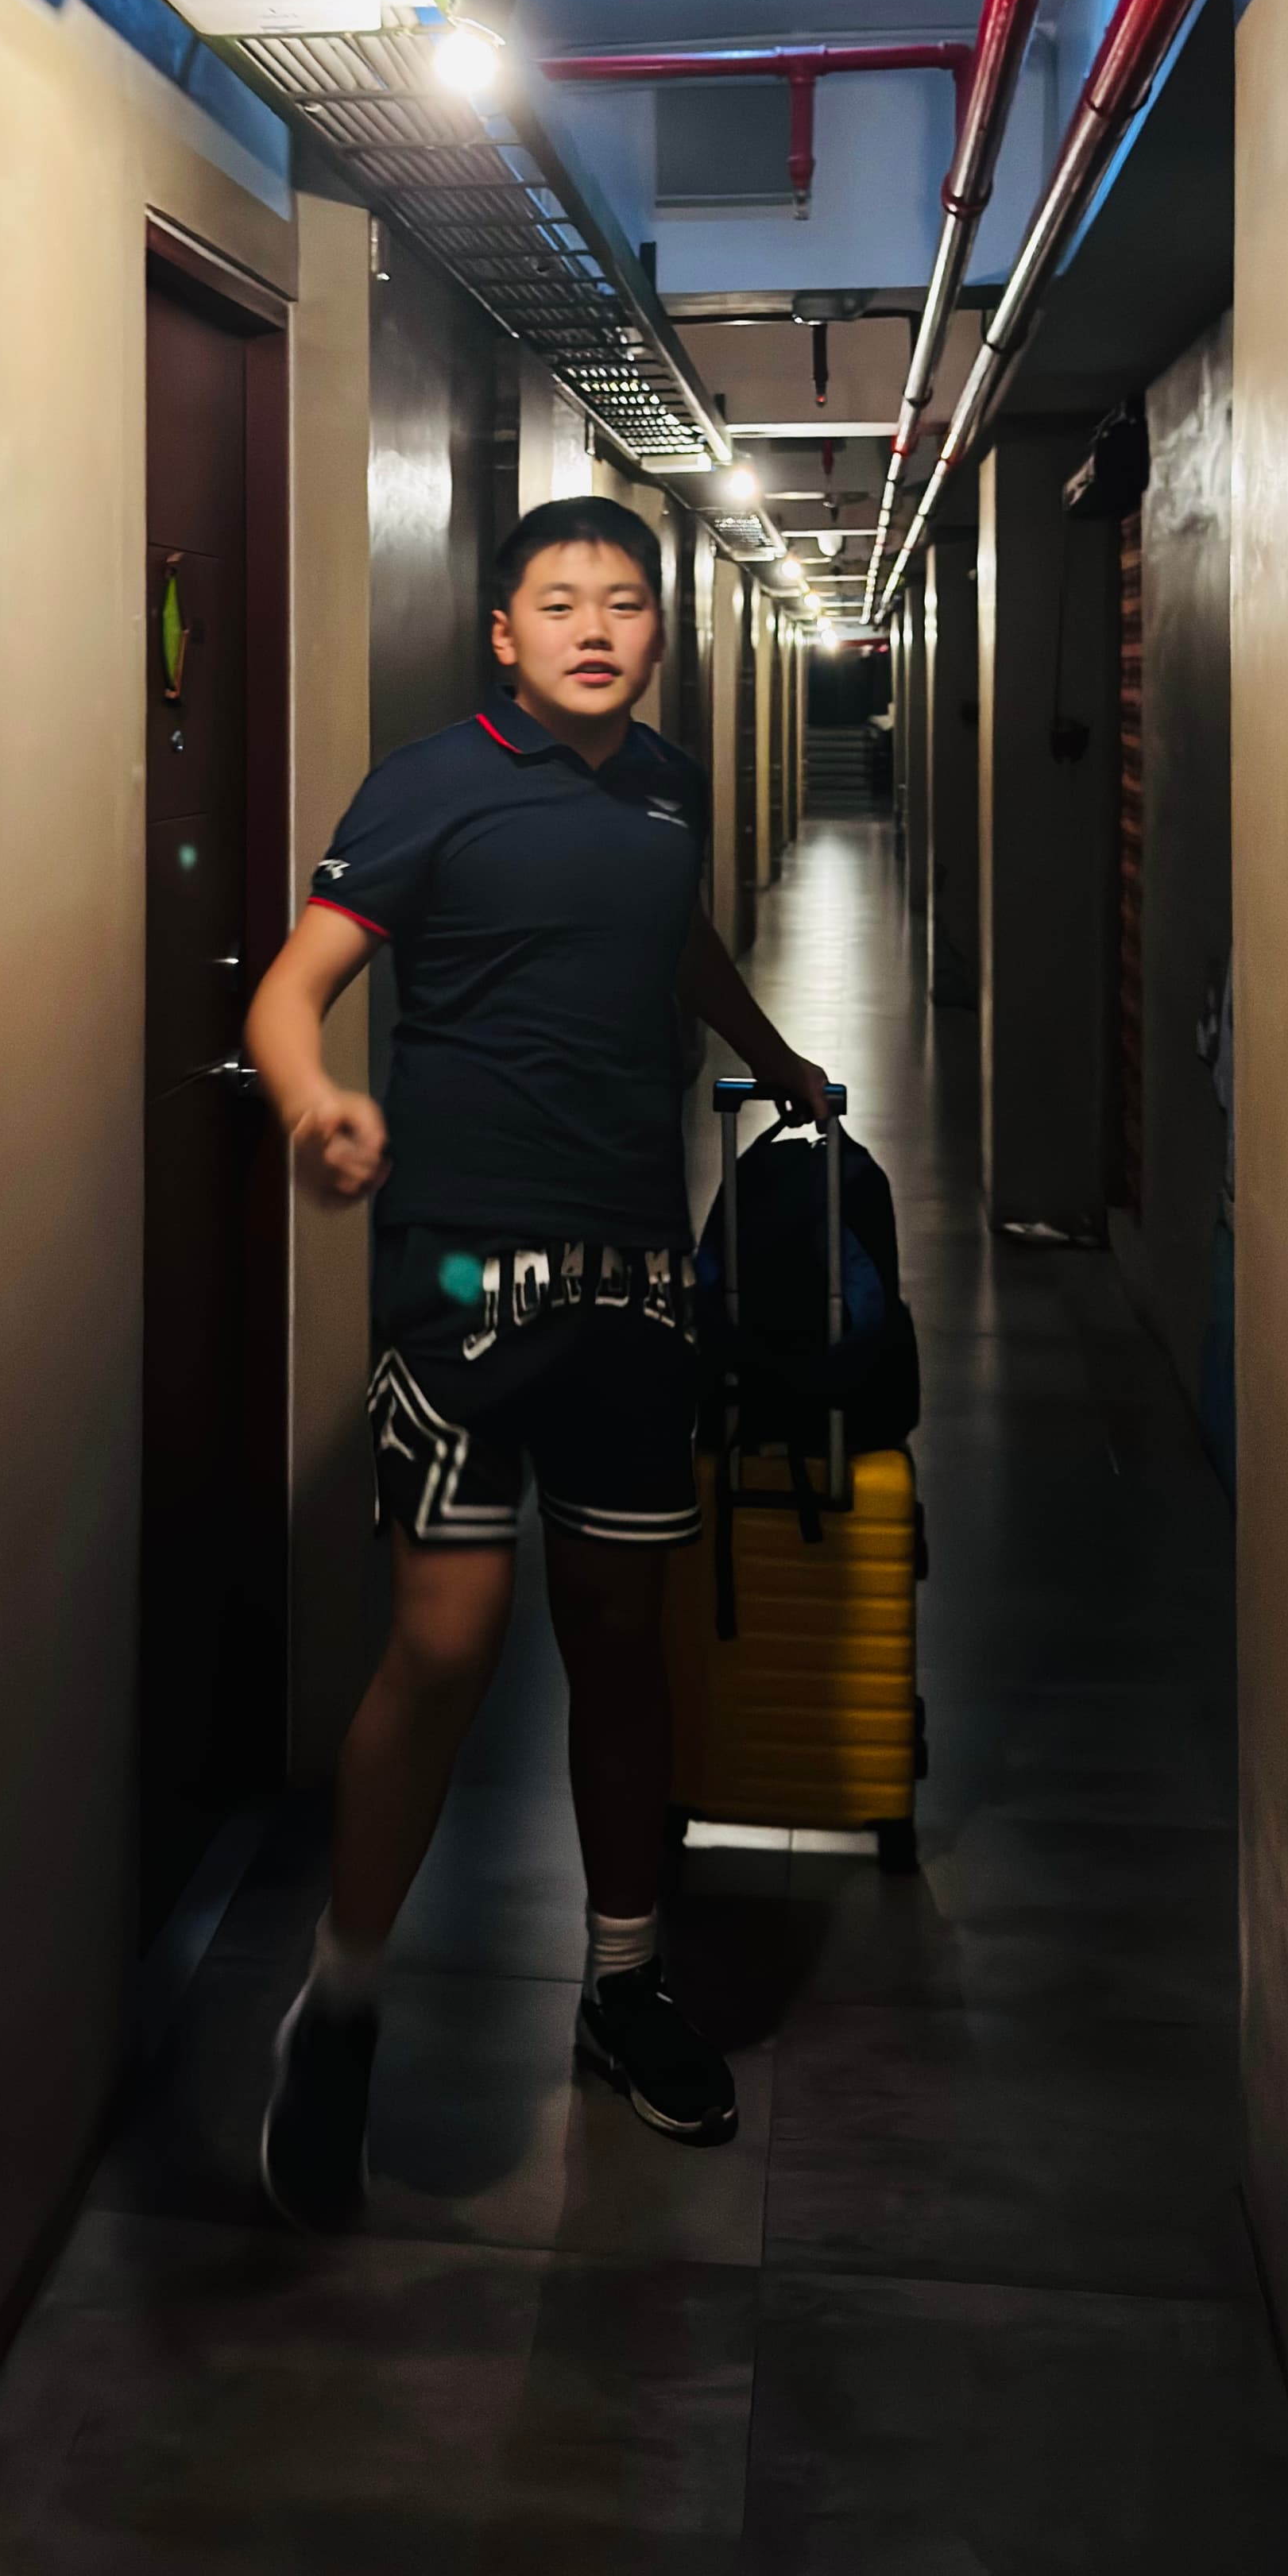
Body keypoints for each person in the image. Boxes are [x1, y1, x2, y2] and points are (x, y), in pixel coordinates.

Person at [241, 496, 829, 2230]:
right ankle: (341, 1999)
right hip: (460, 1272)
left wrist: (778, 1054)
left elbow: (676, 939)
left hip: (639, 1270)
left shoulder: (662, 788)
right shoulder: (428, 786)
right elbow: (293, 985)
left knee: (623, 1630)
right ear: (502, 631)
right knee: (449, 1638)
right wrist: (313, 1102)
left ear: (657, 634)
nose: (595, 626)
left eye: (624, 603)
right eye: (558, 602)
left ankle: (624, 1980)